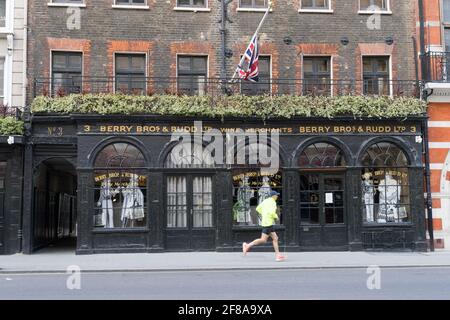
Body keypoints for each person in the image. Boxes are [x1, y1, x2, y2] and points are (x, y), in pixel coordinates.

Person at [242, 190, 286, 262]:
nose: (277, 196)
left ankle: (278, 255)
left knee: (274, 238)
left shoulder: (265, 201)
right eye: (276, 195)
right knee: (264, 240)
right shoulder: (273, 202)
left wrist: (264, 214)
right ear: (273, 196)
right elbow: (272, 212)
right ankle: (247, 245)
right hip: (268, 223)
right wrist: (276, 216)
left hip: (266, 222)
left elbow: (257, 208)